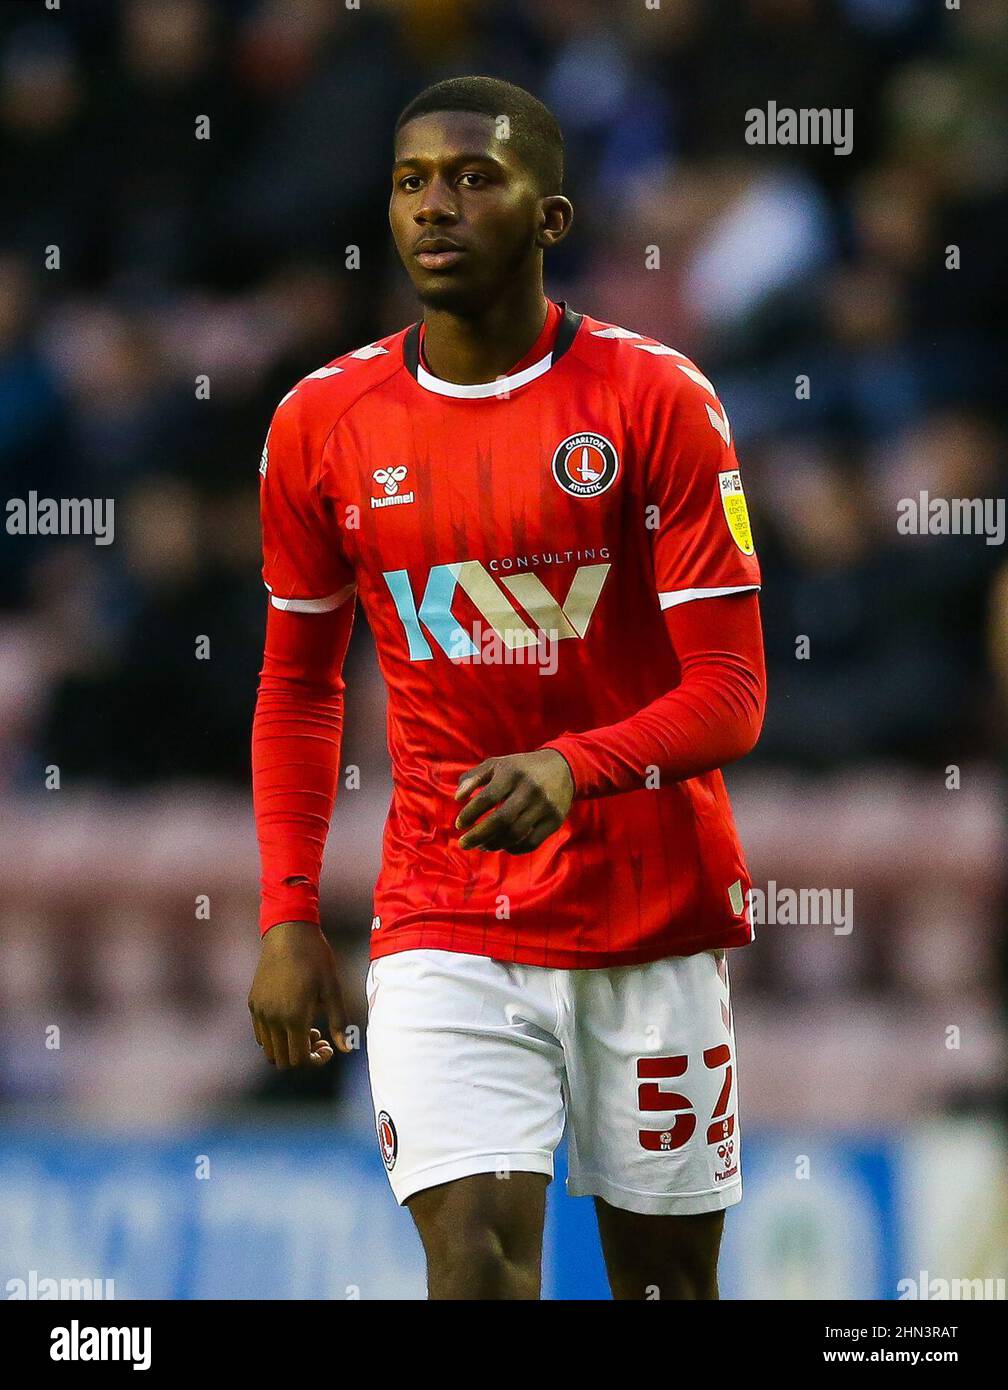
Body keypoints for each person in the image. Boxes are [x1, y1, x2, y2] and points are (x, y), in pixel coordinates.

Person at [248, 75, 766, 1300]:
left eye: (476, 179)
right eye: (412, 180)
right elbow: (297, 686)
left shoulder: (656, 403)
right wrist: (284, 912)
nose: (436, 206)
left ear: (552, 218)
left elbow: (735, 691)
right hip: (446, 912)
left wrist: (573, 767)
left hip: (649, 913)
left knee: (666, 1287)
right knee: (472, 1264)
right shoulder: (321, 424)